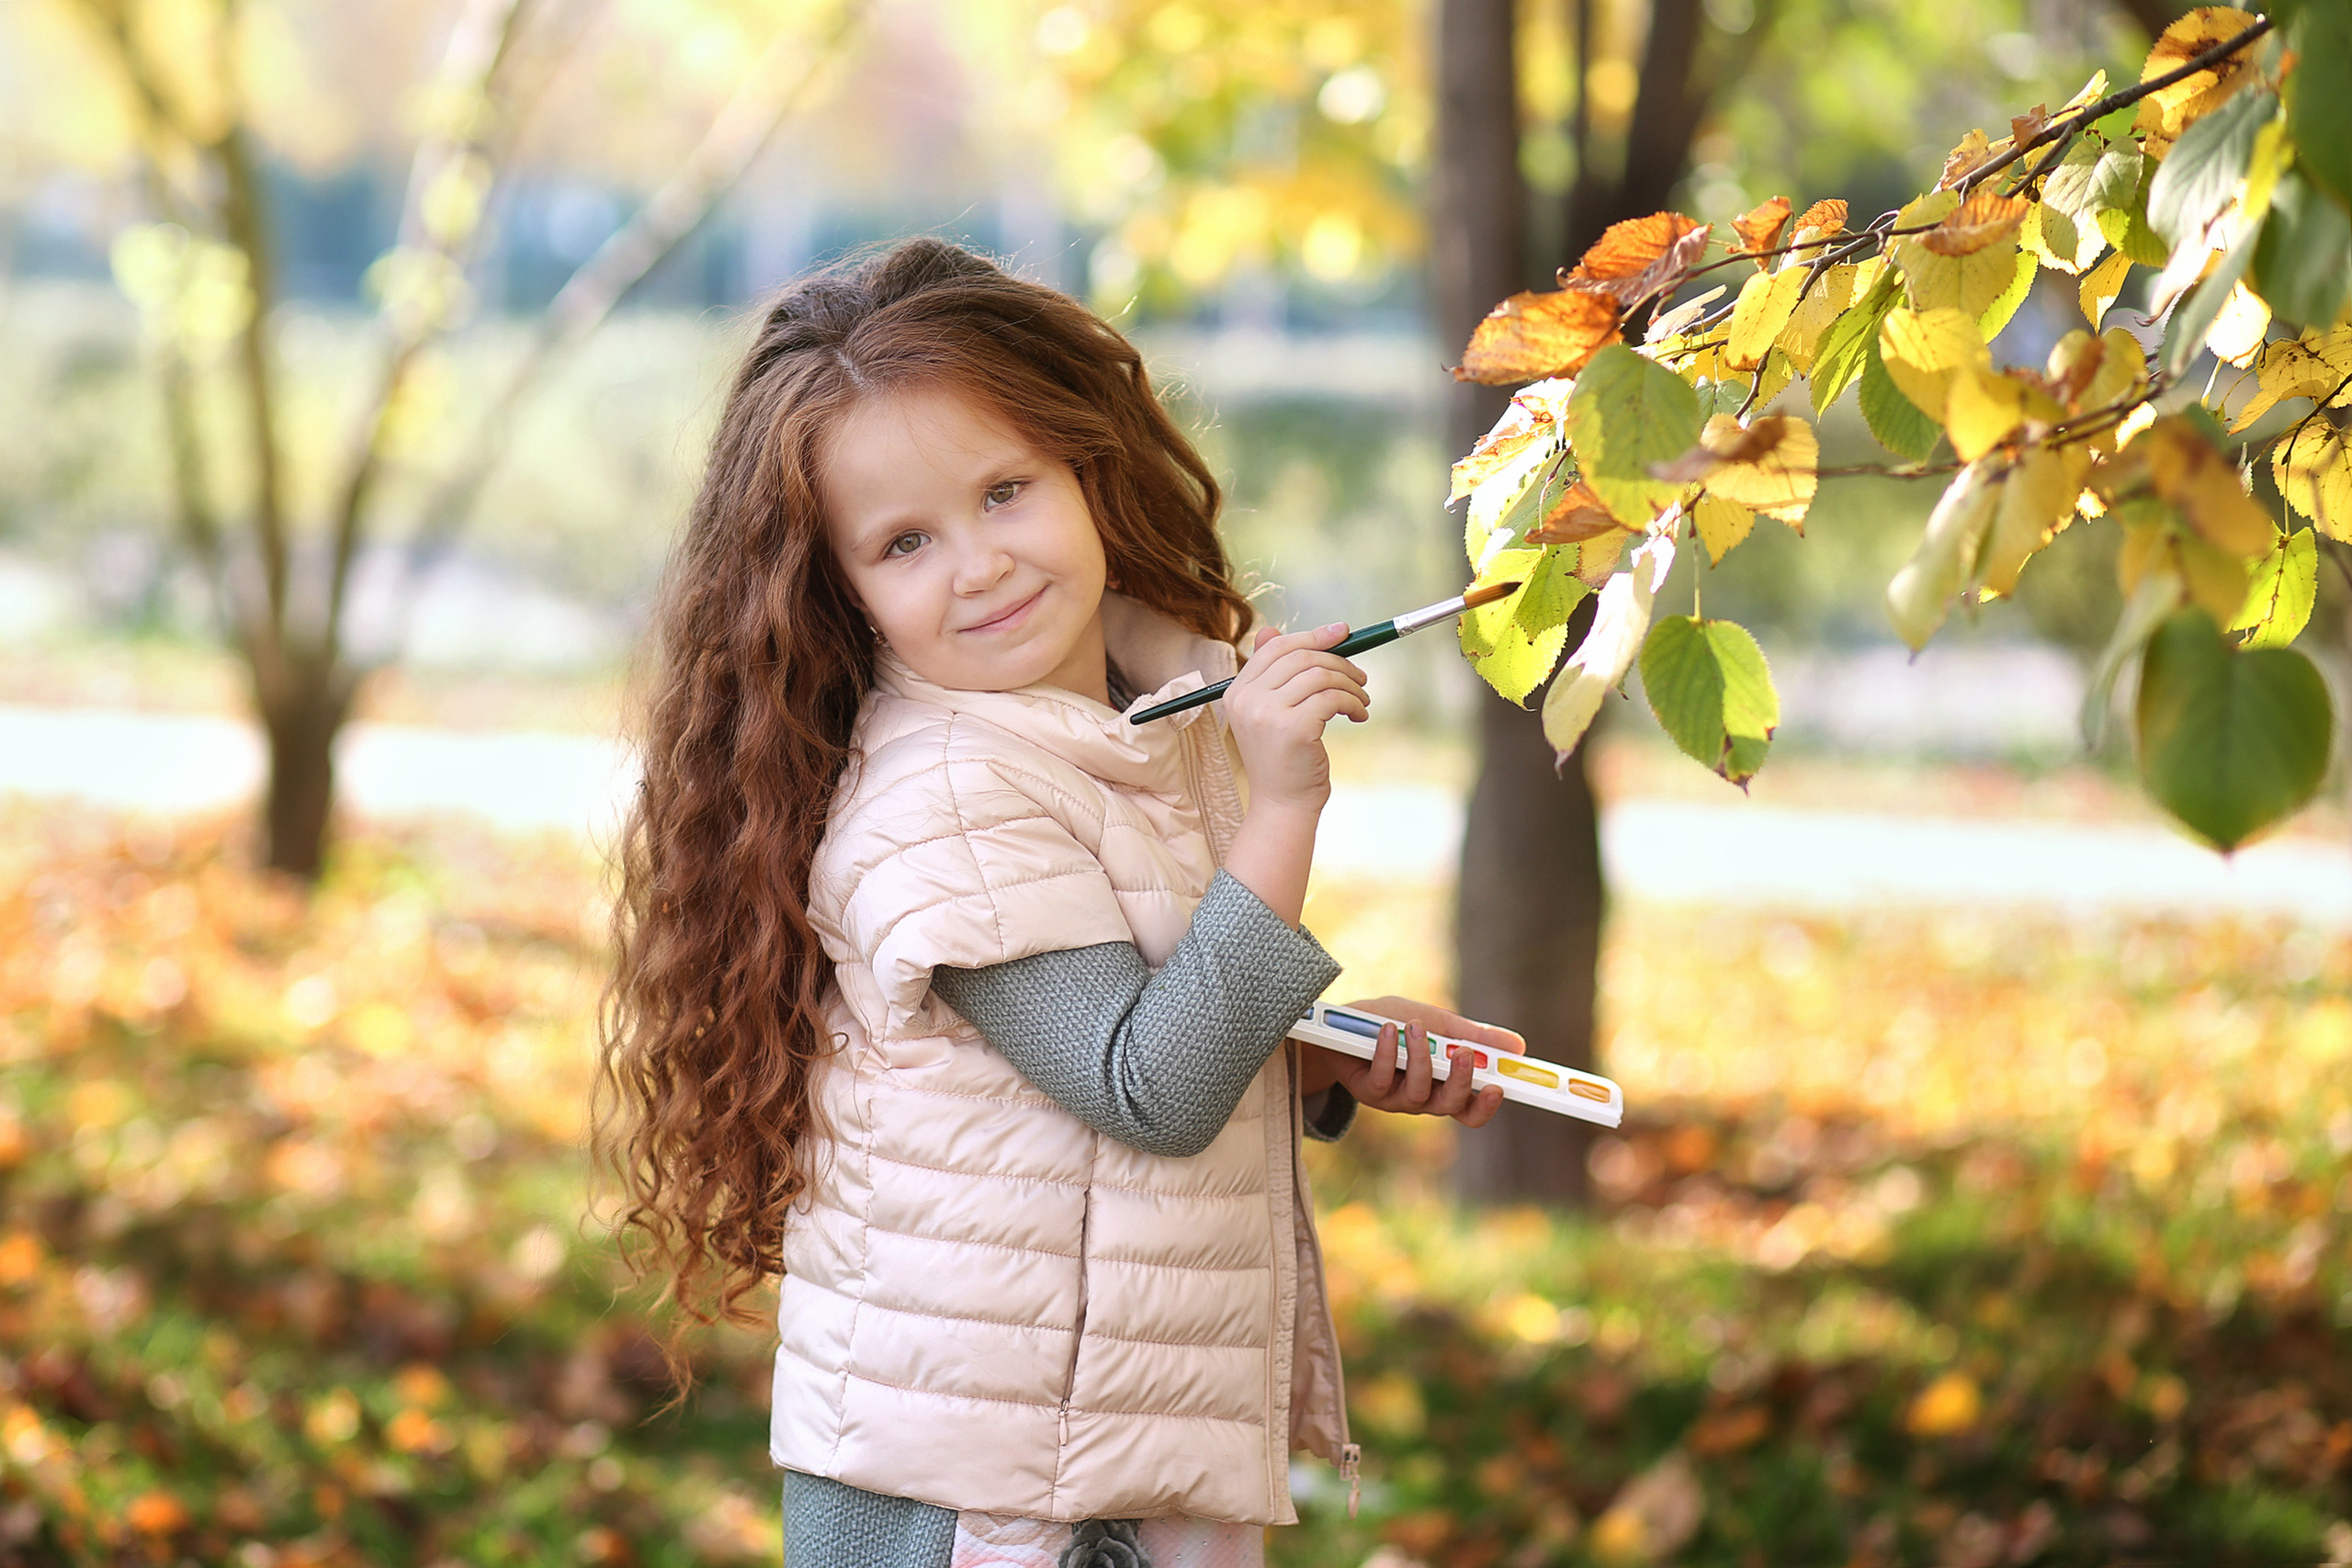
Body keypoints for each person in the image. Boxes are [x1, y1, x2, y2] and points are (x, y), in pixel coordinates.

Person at [595, 238, 1523, 1568]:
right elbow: (1147, 1088)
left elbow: (1082, 1053)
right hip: (988, 1505)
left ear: (1087, 465)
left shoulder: (1115, 724)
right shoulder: (946, 799)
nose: (978, 565)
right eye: (905, 541)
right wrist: (1282, 807)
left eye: (1005, 491)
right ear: (837, 589)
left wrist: (1329, 1048)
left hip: (1092, 1452)